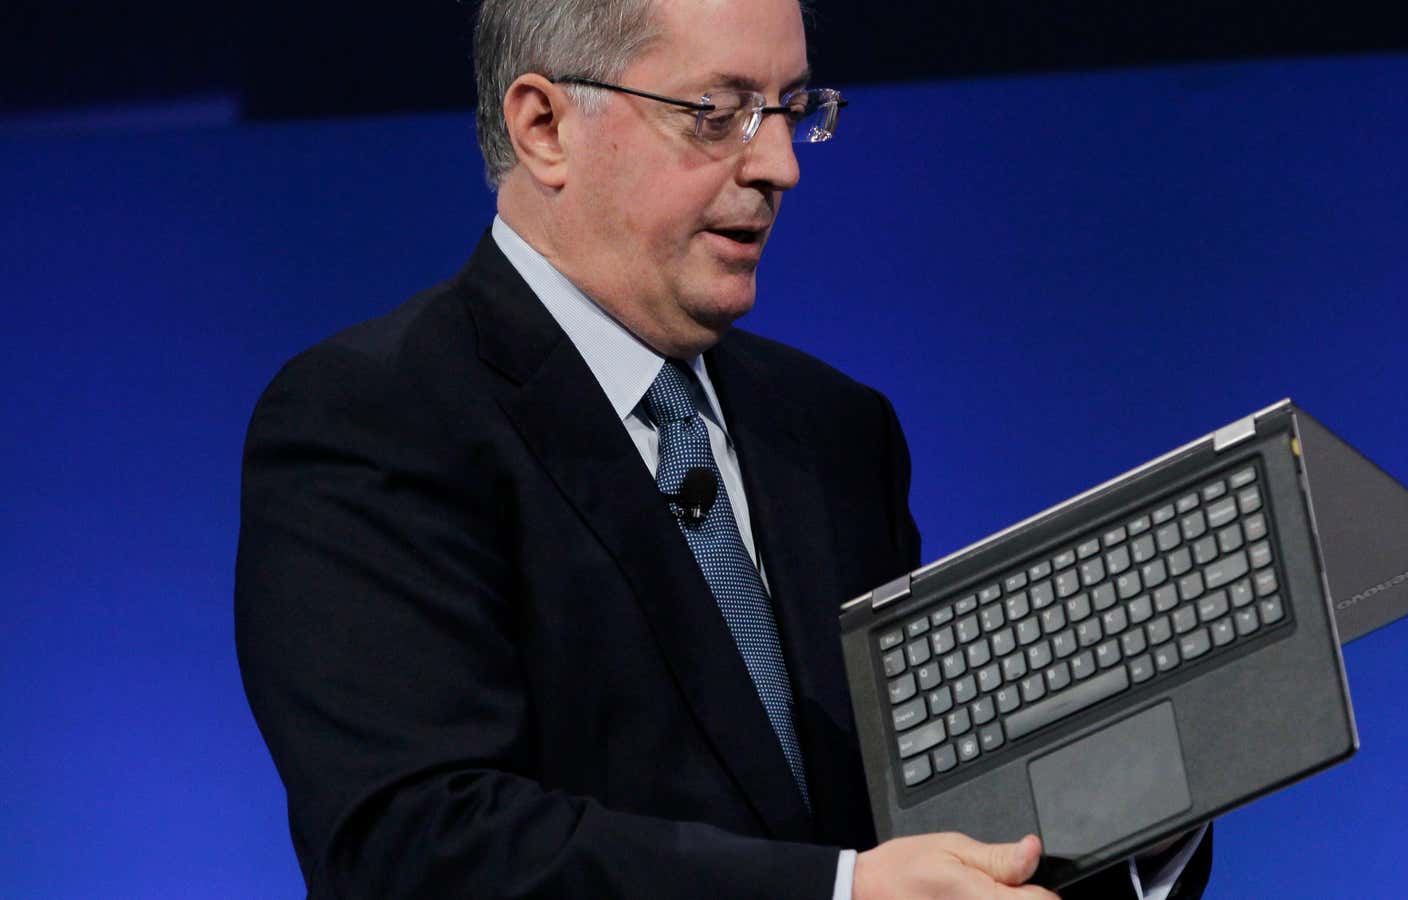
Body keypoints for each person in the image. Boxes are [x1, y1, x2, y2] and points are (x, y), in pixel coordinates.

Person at [234, 0, 1210, 897]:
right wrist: (837, 896)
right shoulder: (375, 418)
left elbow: (913, 826)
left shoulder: (832, 426)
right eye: (718, 112)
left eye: (792, 109)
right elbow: (422, 848)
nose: (779, 164)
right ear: (545, 127)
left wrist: (1133, 812)